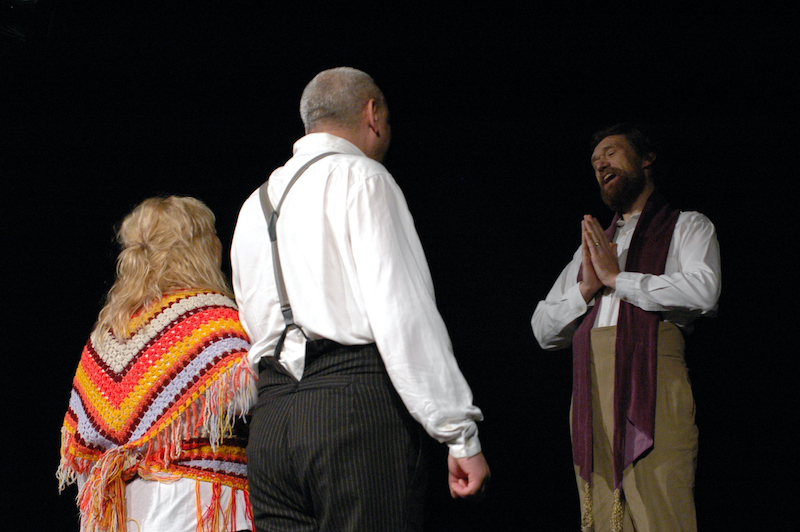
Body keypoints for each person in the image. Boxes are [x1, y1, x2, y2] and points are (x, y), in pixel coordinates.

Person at [231, 67, 490, 532]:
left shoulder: (253, 205)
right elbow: (402, 314)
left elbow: (249, 319)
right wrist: (459, 435)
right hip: (350, 412)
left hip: (270, 425)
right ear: (372, 114)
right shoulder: (364, 178)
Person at [531, 124, 721, 532]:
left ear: (646, 158)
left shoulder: (687, 225)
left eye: (611, 152)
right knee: (603, 514)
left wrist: (619, 280)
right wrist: (586, 288)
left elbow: (704, 291)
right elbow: (543, 329)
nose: (601, 164)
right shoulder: (593, 248)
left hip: (653, 374)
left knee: (660, 503)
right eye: (595, 161)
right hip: (592, 384)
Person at [57, 196, 257, 532]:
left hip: (127, 511)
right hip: (200, 506)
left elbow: (85, 447)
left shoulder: (105, 337)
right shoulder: (212, 322)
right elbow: (246, 395)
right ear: (202, 249)